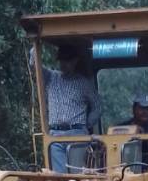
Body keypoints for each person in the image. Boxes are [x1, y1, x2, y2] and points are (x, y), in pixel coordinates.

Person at [34, 44, 100, 173]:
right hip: (55, 134)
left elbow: (97, 106)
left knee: (77, 174)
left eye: (68, 61)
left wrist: (86, 125)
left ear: (75, 61)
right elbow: (34, 64)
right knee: (60, 176)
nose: (64, 64)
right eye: (62, 61)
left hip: (77, 133)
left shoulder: (84, 83)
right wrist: (37, 42)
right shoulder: (51, 77)